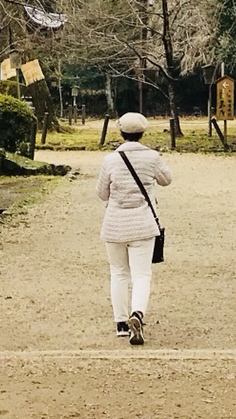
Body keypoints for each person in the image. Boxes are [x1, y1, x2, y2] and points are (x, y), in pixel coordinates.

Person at [95, 111, 170, 345]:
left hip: (115, 224)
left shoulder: (110, 160)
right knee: (141, 274)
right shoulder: (152, 157)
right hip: (143, 224)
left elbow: (101, 193)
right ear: (142, 132)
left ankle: (120, 324)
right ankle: (136, 314)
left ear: (121, 133)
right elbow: (167, 179)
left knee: (118, 273)